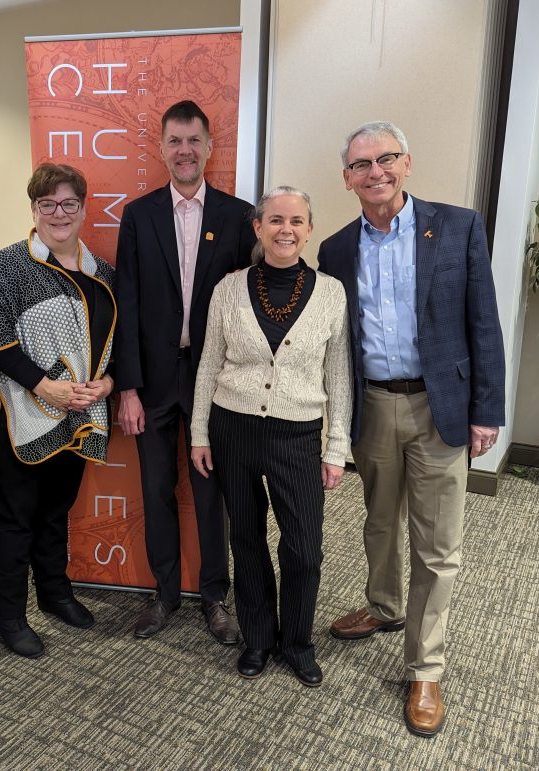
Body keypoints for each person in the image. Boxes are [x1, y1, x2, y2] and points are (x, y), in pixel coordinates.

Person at [318, 121, 505, 735]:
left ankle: (425, 668)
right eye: (361, 164)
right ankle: (384, 607)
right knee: (378, 522)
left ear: (407, 162)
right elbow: (337, 342)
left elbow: (484, 322)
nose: (375, 171)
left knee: (437, 542)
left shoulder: (457, 226)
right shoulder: (336, 249)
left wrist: (486, 408)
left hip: (438, 407)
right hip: (372, 405)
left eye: (386, 158)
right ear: (347, 178)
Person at [190, 186, 352, 687]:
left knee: (304, 547)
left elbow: (338, 374)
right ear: (257, 227)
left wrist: (337, 447)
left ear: (308, 230)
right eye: (275, 220)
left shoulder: (330, 292)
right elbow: (209, 365)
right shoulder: (229, 288)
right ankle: (259, 637)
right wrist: (199, 432)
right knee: (248, 538)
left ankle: (296, 642)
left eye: (297, 221)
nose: (286, 230)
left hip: (298, 434)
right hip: (232, 426)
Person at [0, 163, 116, 659]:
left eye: (69, 203)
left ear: (84, 208)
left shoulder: (102, 275)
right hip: (19, 416)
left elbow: (117, 343)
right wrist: (44, 386)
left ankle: (54, 593)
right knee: (12, 518)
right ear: (34, 210)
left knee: (55, 511)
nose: (59, 213)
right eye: (48, 204)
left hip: (78, 415)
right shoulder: (8, 266)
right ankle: (10, 617)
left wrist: (108, 383)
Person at [114, 100, 255, 643]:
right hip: (150, 381)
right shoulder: (138, 215)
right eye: (175, 141)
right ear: (162, 148)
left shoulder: (238, 217)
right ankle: (165, 594)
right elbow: (126, 304)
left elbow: (248, 304)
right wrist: (126, 387)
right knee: (155, 490)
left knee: (211, 492)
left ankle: (215, 597)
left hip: (213, 381)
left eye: (194, 140)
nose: (185, 150)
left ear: (209, 147)